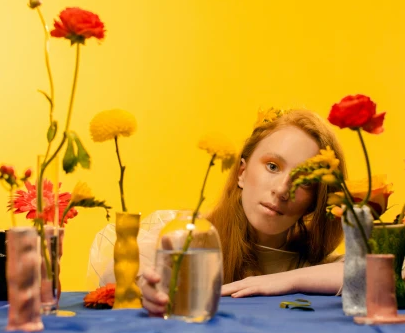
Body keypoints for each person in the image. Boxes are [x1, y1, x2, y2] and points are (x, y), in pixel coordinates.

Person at [139, 109, 348, 317]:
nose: (282, 190)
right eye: (273, 166)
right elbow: (128, 266)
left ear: (315, 201)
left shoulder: (314, 264)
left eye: (306, 181)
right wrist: (148, 289)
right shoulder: (184, 240)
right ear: (242, 172)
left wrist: (284, 280)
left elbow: (369, 276)